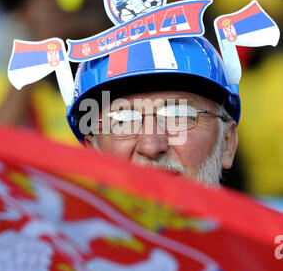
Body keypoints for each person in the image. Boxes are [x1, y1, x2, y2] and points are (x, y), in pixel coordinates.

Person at [67, 36, 240, 186]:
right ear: (94, 154)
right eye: (123, 121)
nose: (151, 147)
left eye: (177, 115)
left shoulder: (266, 222)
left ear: (227, 144)